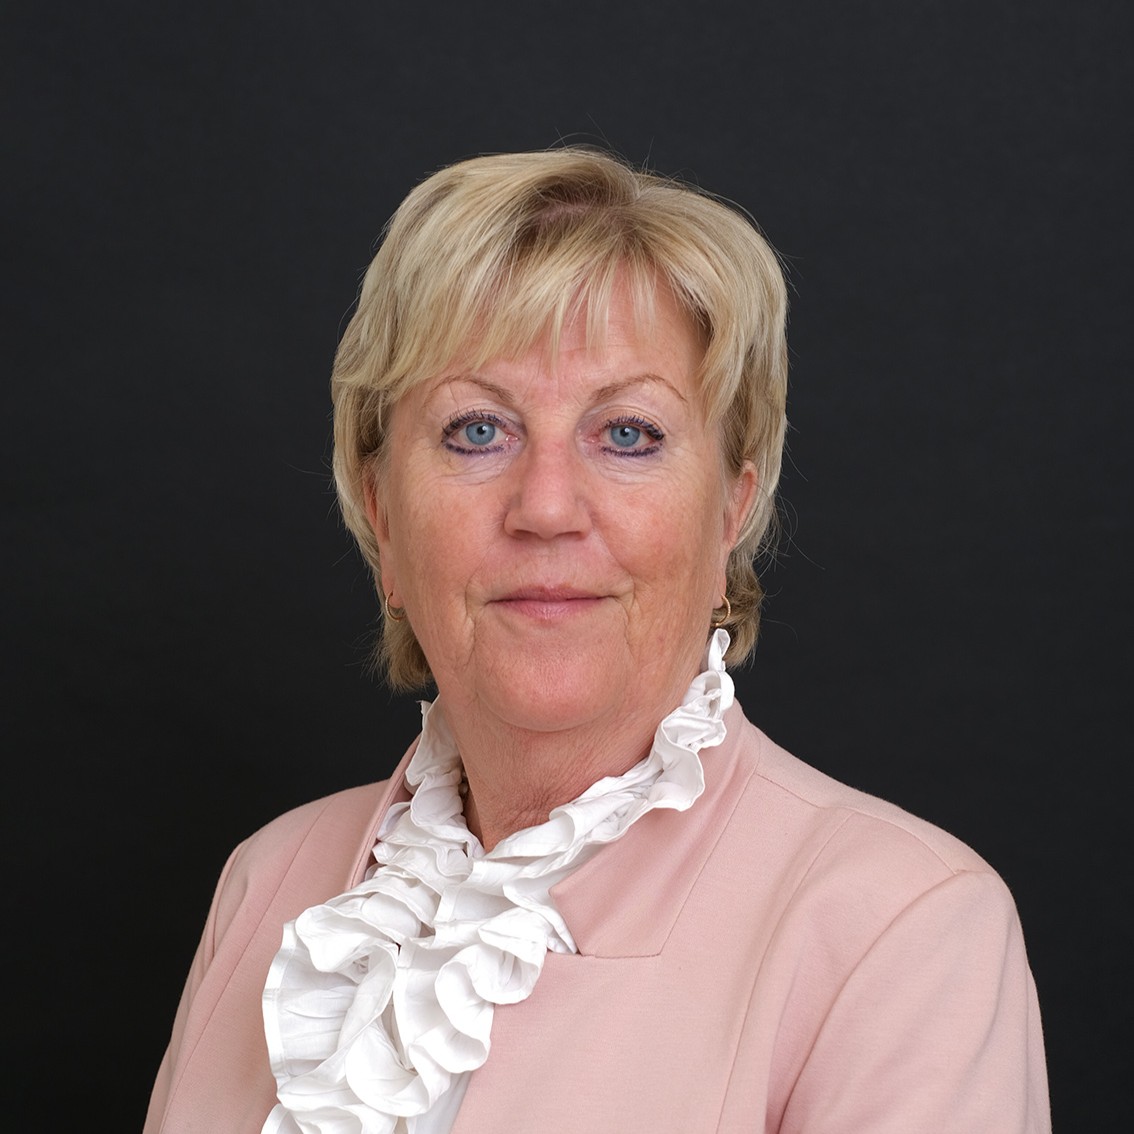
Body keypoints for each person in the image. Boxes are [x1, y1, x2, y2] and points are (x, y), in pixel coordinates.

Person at [144, 147, 1050, 1133]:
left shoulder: (903, 930)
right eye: (476, 430)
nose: (546, 507)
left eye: (628, 434)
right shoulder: (270, 881)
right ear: (384, 517)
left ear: (730, 513)